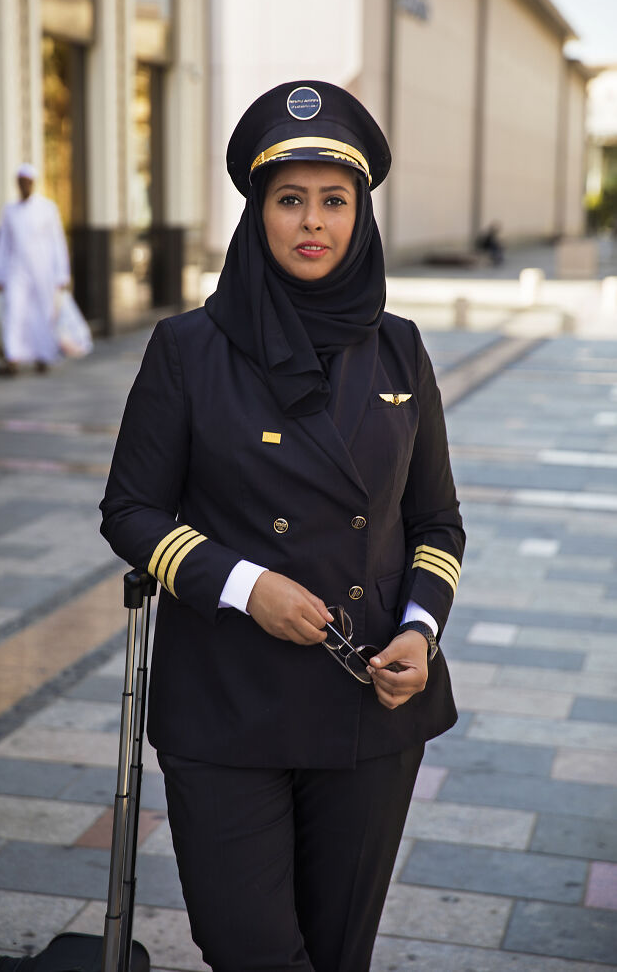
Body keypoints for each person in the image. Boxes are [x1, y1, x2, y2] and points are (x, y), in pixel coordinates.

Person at [100, 81, 465, 972]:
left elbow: (437, 522)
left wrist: (420, 631)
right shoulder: (189, 347)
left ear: (361, 213)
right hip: (226, 702)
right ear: (257, 211)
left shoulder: (399, 347)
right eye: (289, 199)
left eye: (333, 201)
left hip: (367, 704)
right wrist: (243, 585)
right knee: (248, 946)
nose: (313, 222)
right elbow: (132, 511)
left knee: (337, 953)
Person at [0, 163, 71, 374]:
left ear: (33, 184)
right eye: (20, 182)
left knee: (43, 312)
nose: (23, 186)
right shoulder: (9, 210)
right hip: (16, 269)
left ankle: (43, 355)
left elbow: (57, 242)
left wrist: (62, 272)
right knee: (14, 311)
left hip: (43, 270)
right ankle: (12, 357)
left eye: (27, 182)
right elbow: (3, 243)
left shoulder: (47, 208)